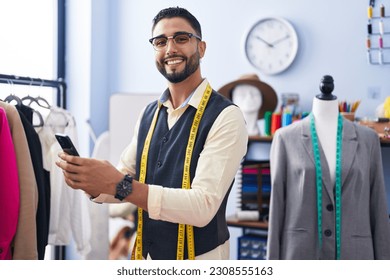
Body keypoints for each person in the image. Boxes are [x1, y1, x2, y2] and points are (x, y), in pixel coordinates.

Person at [56, 6, 248, 260]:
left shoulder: (227, 117)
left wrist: (118, 184)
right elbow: (123, 179)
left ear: (201, 48)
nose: (170, 49)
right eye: (160, 42)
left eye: (181, 38)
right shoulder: (149, 114)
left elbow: (203, 207)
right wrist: (89, 181)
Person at [267, 76, 390, 259]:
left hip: (355, 255)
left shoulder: (368, 139)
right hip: (301, 254)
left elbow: (378, 207)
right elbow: (277, 207)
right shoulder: (285, 138)